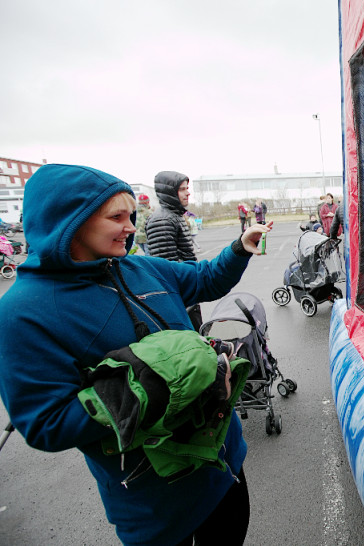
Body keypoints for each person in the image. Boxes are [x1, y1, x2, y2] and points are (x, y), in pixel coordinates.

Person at [0, 164, 271, 545]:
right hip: (155, 500)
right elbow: (45, 422)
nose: (131, 227)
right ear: (71, 222)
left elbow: (204, 279)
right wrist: (155, 387)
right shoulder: (22, 313)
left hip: (223, 462)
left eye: (132, 216)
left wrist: (240, 247)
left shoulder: (140, 267)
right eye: (117, 217)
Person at [146, 171, 201, 329]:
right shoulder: (162, 220)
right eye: (182, 189)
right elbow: (166, 268)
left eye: (187, 188)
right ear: (170, 192)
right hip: (180, 297)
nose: (188, 192)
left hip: (187, 292)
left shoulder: (174, 215)